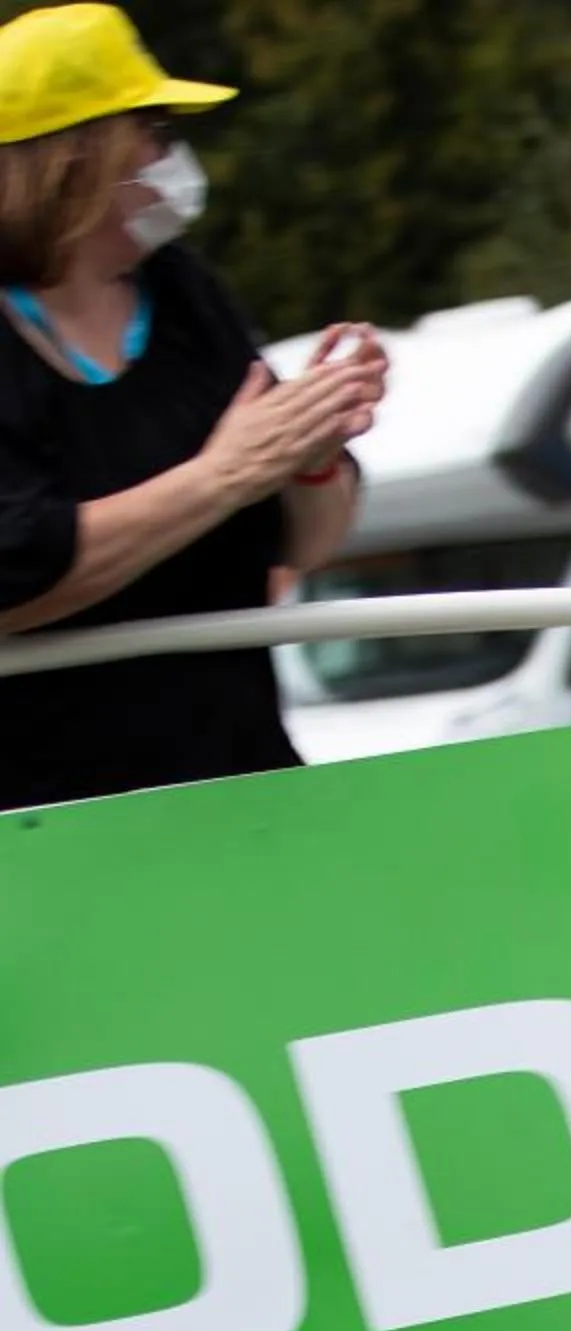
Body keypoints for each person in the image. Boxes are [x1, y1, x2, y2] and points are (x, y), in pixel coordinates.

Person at [0, 3, 385, 811]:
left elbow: (301, 550)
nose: (172, 155)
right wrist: (225, 475)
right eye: (155, 127)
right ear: (76, 157)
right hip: (46, 828)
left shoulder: (182, 292)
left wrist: (308, 453)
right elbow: (18, 575)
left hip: (242, 790)